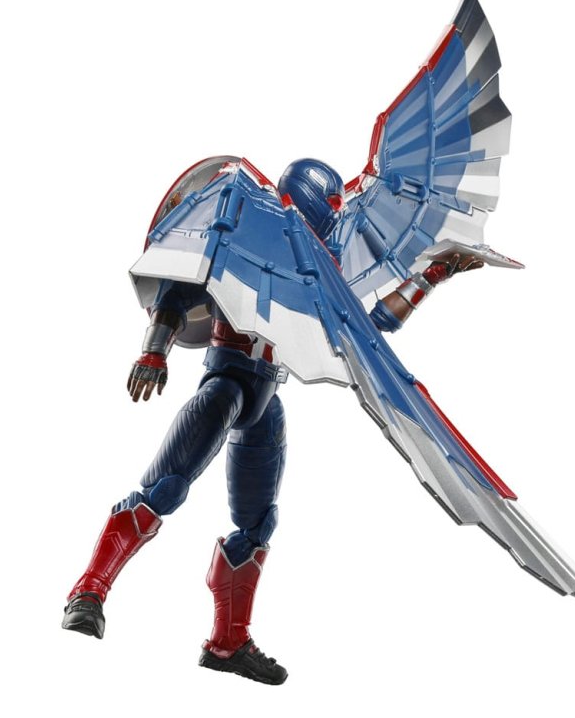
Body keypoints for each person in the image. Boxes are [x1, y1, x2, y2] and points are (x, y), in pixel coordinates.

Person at [61, 158, 481, 685]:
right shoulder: (243, 234)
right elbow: (180, 287)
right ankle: (89, 591)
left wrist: (432, 275)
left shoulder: (316, 264)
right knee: (164, 488)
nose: (334, 218)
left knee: (256, 525)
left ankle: (227, 643)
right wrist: (153, 350)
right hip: (227, 384)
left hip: (265, 397)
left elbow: (370, 326)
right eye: (329, 207)